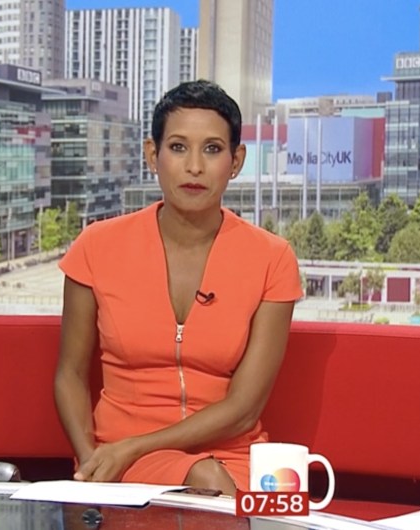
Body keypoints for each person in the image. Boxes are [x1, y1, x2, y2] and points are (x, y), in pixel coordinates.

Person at [54, 80, 302, 495]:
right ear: (153, 154)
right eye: (178, 147)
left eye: (212, 149)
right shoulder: (96, 246)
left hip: (235, 453)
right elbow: (70, 374)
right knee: (205, 481)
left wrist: (136, 448)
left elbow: (244, 410)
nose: (194, 167)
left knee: (268, 503)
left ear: (236, 160)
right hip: (118, 457)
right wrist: (93, 465)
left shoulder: (272, 257)